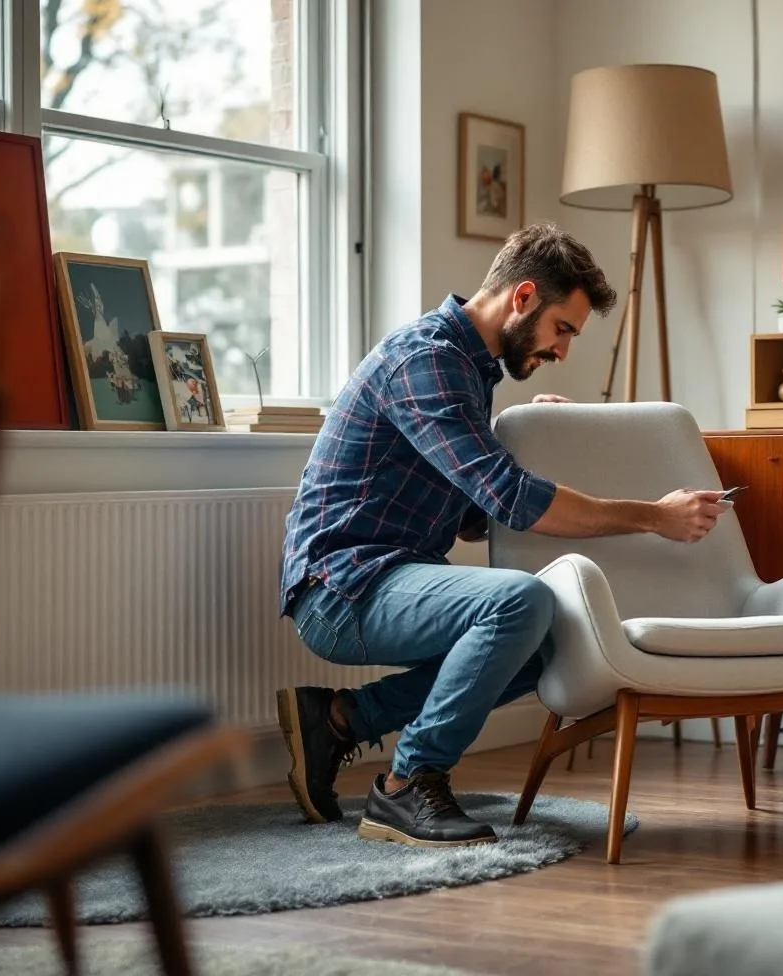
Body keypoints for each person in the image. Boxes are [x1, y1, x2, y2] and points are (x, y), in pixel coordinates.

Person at [275, 222, 729, 849]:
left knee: (556, 639)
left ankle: (340, 719)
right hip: (341, 588)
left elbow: (467, 517)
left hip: (390, 573)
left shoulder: (469, 368)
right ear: (521, 299)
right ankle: (408, 784)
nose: (564, 351)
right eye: (562, 328)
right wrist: (654, 515)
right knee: (522, 601)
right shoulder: (427, 359)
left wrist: (525, 434)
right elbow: (509, 500)